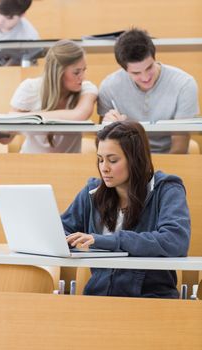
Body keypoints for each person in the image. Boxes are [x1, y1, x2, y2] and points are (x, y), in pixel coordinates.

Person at [63, 120, 191, 298]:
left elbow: (175, 240)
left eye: (113, 160)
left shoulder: (167, 189)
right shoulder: (92, 192)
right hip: (98, 298)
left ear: (135, 159)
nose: (104, 168)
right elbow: (62, 228)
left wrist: (108, 241)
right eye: (100, 159)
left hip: (151, 299)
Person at [97, 28, 200, 154]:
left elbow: (180, 147)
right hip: (127, 159)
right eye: (136, 73)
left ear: (154, 57)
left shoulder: (184, 84)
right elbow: (101, 144)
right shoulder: (109, 87)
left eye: (149, 67)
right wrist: (108, 127)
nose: (145, 78)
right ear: (124, 69)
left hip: (169, 157)